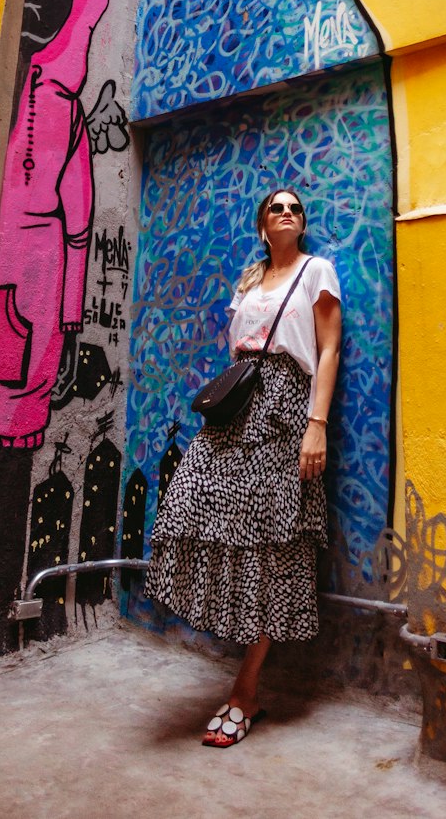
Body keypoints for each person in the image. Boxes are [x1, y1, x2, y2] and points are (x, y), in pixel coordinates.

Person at [144, 187, 342, 747]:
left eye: (295, 207)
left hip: (285, 410)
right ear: (261, 225)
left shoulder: (316, 270)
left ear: (302, 224)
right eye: (275, 207)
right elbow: (237, 349)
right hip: (237, 407)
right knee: (185, 505)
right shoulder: (249, 280)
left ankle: (245, 690)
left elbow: (328, 350)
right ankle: (232, 646)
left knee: (269, 545)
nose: (286, 212)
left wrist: (316, 424)